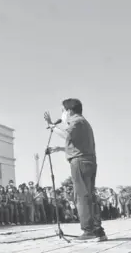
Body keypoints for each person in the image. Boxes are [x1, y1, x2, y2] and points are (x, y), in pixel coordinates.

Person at [44, 98, 107, 242]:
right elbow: (77, 144)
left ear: (69, 111)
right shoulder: (84, 122)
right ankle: (98, 231)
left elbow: (67, 135)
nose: (62, 115)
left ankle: (88, 231)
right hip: (88, 160)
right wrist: (60, 149)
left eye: (62, 111)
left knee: (82, 197)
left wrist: (53, 127)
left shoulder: (76, 121)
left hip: (80, 163)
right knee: (89, 196)